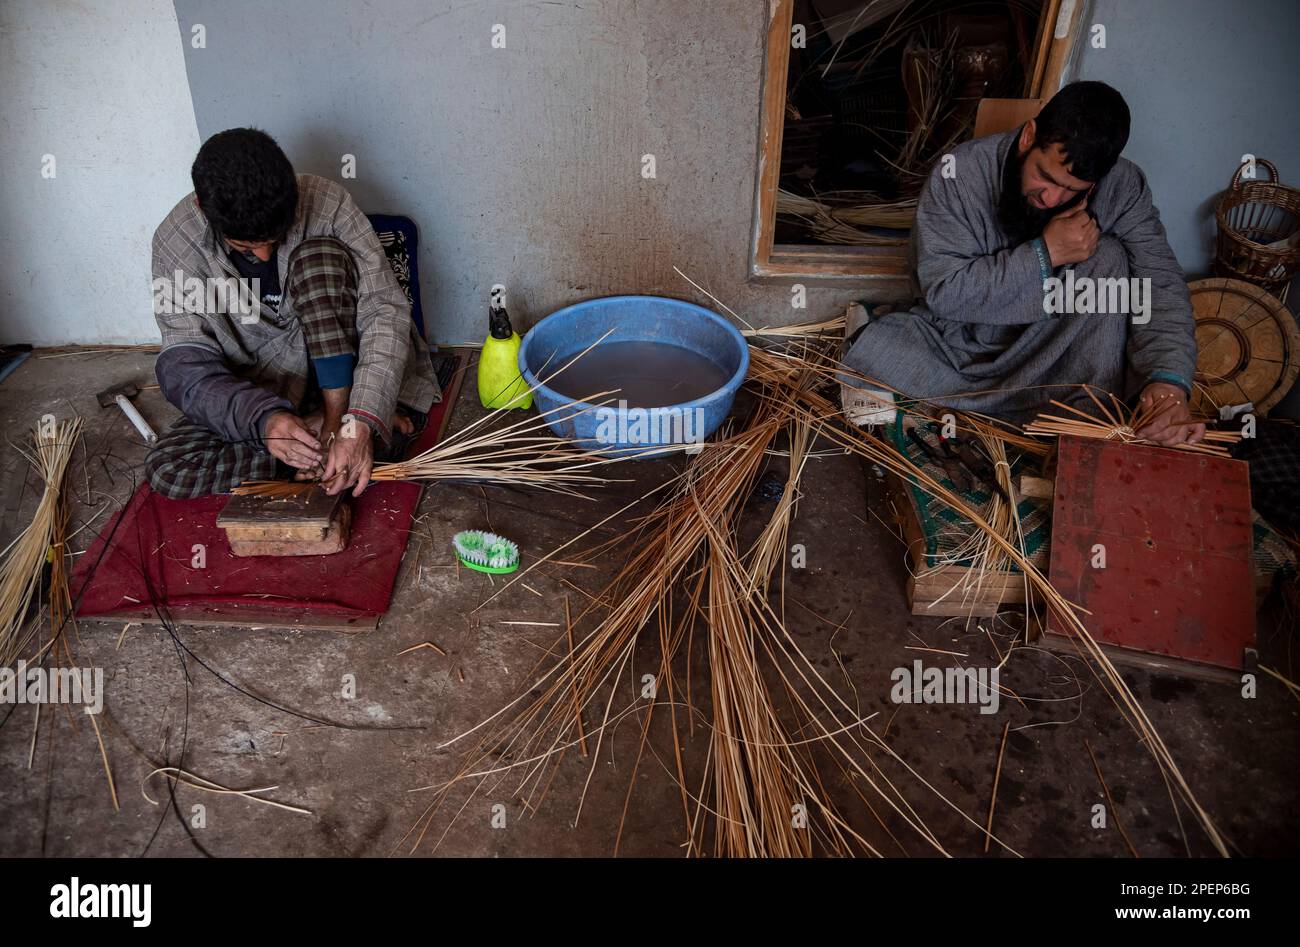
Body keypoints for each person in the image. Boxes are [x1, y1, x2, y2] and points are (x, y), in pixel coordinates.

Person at [841, 81, 1204, 446]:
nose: (1052, 197)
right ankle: (1031, 410)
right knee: (881, 349)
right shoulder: (959, 174)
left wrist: (1169, 382)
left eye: (1073, 189)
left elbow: (1160, 284)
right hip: (964, 345)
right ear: (1029, 136)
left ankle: (1077, 413)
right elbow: (944, 293)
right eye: (1045, 176)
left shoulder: (1123, 186)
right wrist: (1045, 255)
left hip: (1058, 351)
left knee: (1109, 257)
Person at [146, 128, 439, 498]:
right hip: (260, 389)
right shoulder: (175, 240)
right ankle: (318, 446)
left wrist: (357, 420)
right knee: (169, 471)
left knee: (319, 261)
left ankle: (345, 426)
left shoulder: (328, 203)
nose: (266, 256)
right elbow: (184, 364)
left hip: (347, 369)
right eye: (246, 245)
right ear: (203, 210)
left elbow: (384, 311)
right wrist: (265, 421)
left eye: (274, 239)